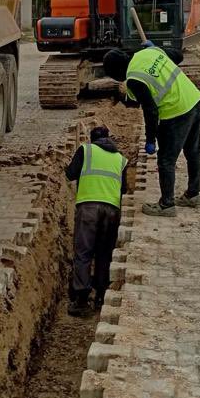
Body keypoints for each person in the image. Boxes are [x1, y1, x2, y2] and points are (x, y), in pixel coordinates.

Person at [103, 43, 200, 217]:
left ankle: (167, 205)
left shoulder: (134, 78)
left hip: (176, 112)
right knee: (192, 152)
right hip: (194, 100)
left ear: (118, 71)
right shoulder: (147, 52)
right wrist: (157, 48)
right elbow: (178, 56)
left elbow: (151, 111)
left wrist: (150, 140)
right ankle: (193, 195)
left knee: (166, 160)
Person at [65, 125, 128, 317]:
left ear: (92, 140)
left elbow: (70, 173)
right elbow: (124, 189)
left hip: (88, 208)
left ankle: (82, 299)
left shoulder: (86, 150)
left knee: (83, 253)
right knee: (103, 253)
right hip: (112, 211)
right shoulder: (121, 159)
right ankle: (101, 297)